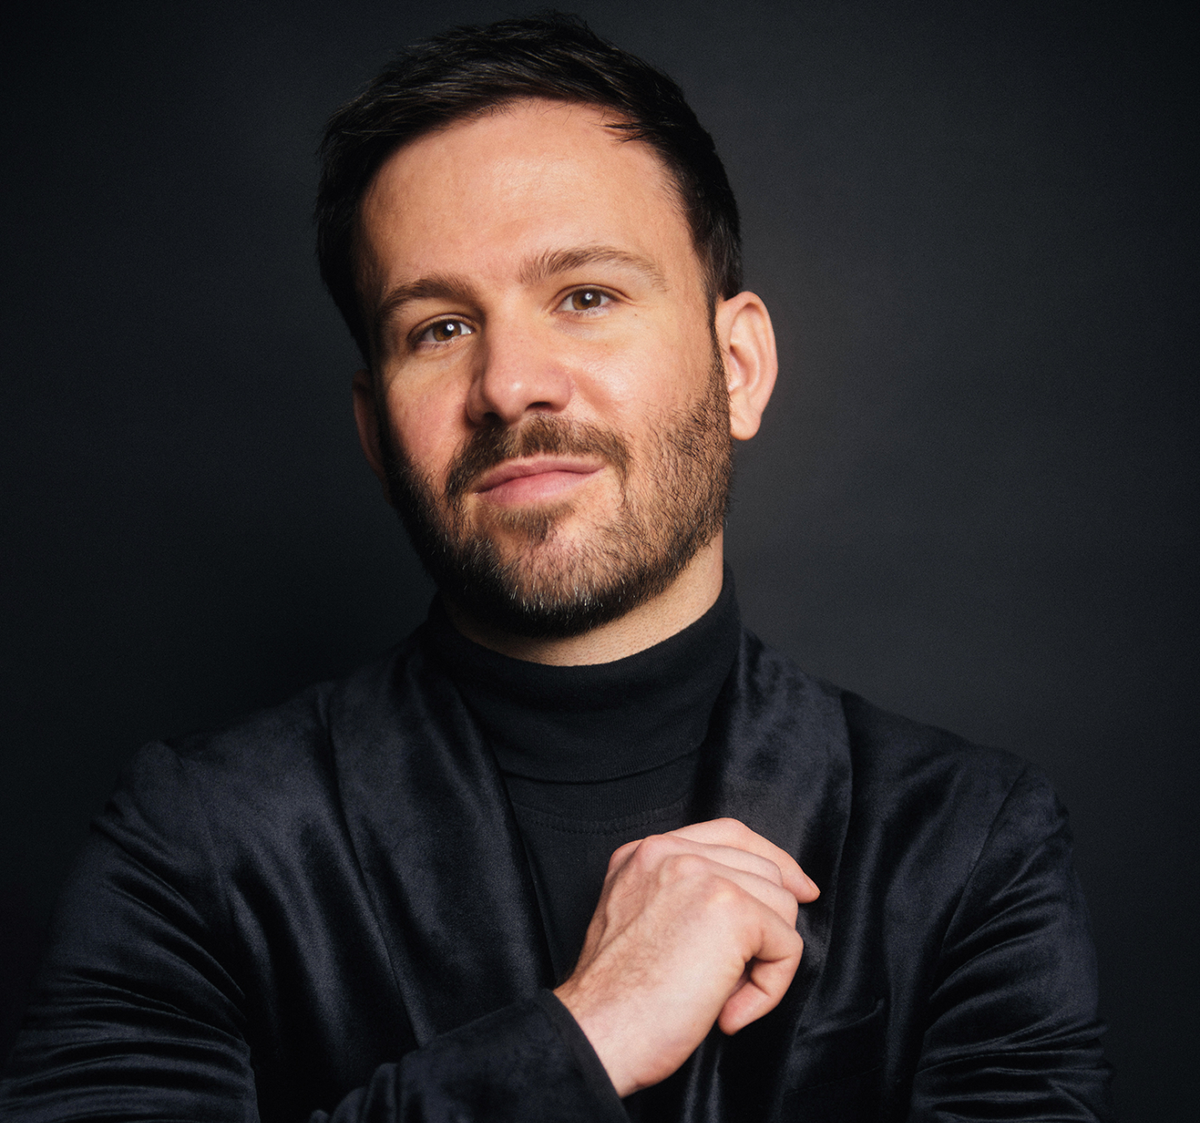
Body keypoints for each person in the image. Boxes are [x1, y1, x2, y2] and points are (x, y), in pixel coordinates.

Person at [0, 14, 1111, 1122]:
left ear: (737, 367)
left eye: (586, 296)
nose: (509, 384)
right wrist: (587, 1031)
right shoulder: (194, 842)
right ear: (377, 433)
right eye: (439, 328)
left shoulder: (971, 843)